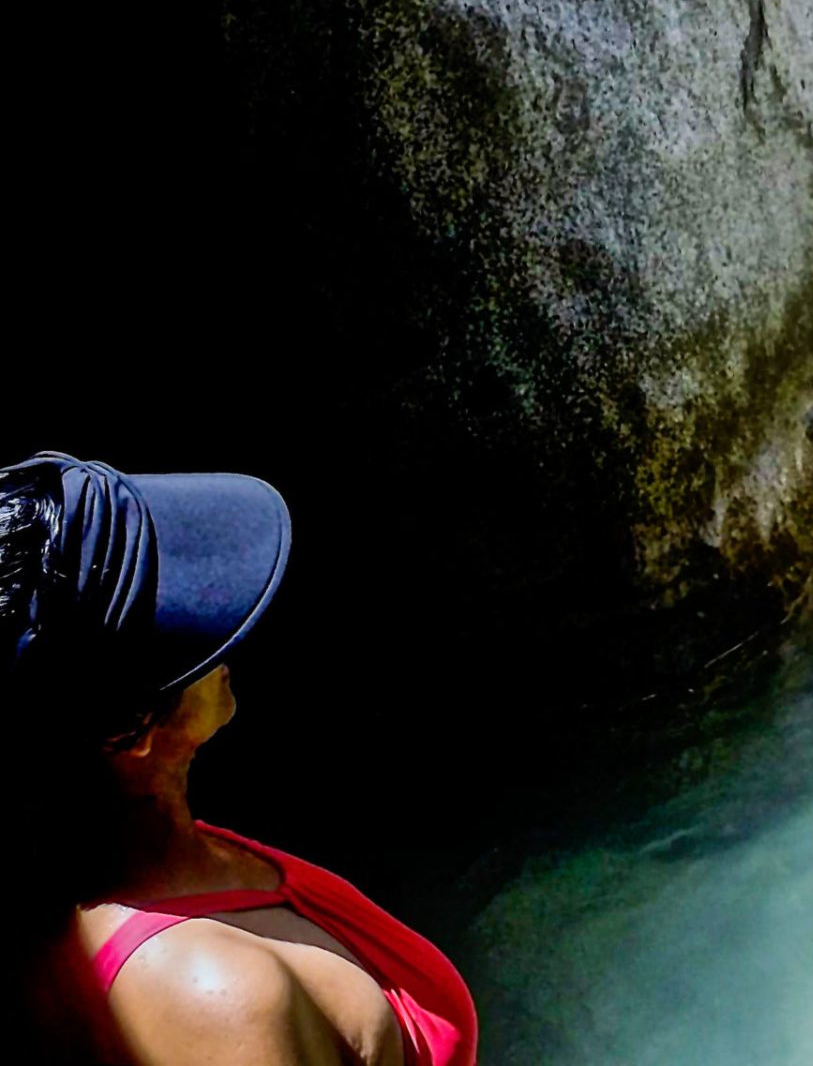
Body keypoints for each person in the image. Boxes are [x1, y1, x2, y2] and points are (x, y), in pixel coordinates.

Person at [1, 452, 476, 1066]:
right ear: (129, 731)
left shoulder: (156, 861)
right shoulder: (221, 1001)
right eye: (183, 621)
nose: (225, 637)